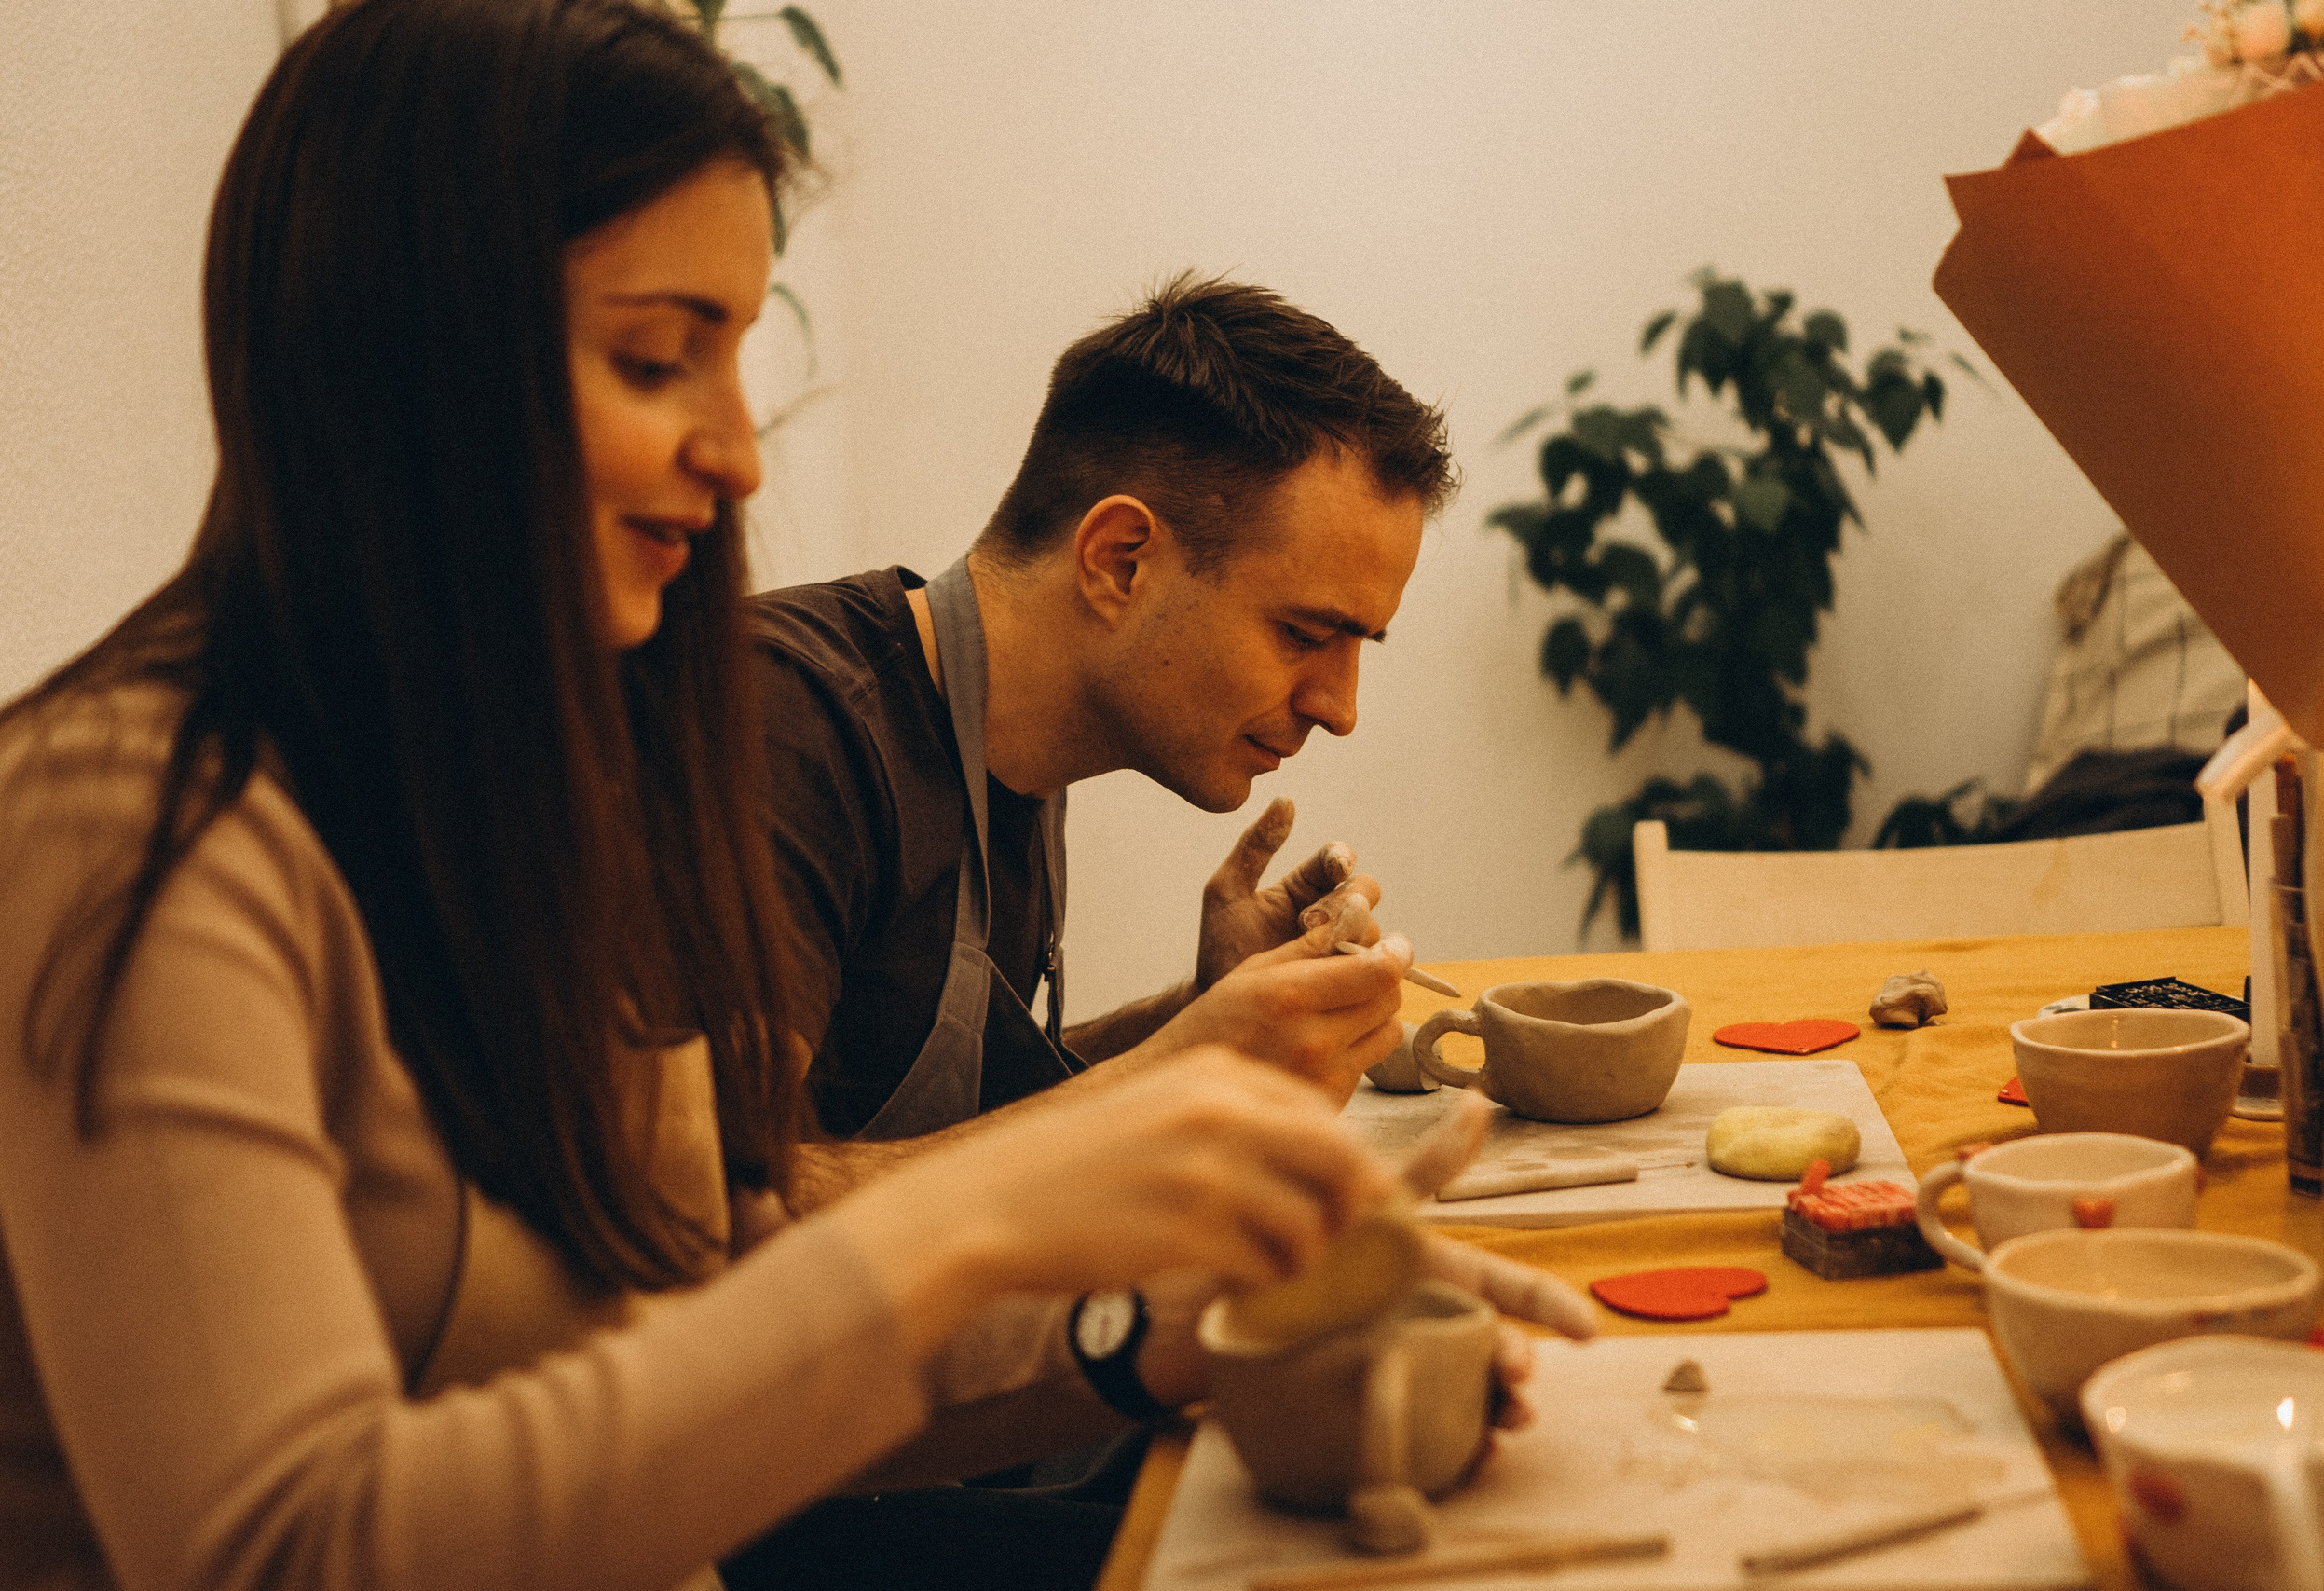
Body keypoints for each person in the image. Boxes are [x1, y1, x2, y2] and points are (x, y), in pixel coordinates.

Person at [0, 5, 1587, 1590]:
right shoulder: (125, 830)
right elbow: (289, 1544)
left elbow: (722, 1337)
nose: (739, 451)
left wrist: (1186, 1322)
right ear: (408, 356)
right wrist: (1008, 1197)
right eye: (654, 359)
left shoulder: (527, 798)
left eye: (737, 356)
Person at [751, 276, 1457, 1181]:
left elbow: (952, 1119)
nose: (1341, 709)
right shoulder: (780, 725)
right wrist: (1187, 1071)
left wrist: (1206, 1010)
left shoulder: (1018, 753)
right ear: (1119, 562)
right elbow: (716, 1223)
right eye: (1304, 634)